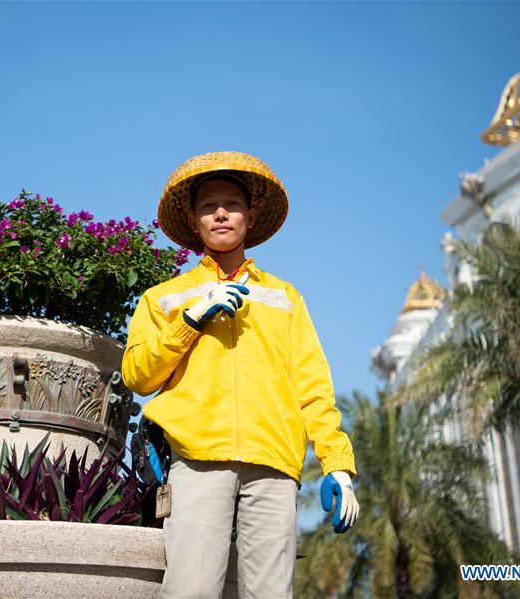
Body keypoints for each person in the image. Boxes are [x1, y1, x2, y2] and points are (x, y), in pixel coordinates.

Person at [121, 151, 359, 599]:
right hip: (196, 459)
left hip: (273, 463)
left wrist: (338, 465)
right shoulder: (164, 298)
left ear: (250, 217)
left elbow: (313, 389)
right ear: (193, 222)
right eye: (208, 206)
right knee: (190, 592)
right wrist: (190, 320)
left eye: (232, 204)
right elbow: (138, 375)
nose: (221, 214)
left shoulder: (285, 297)